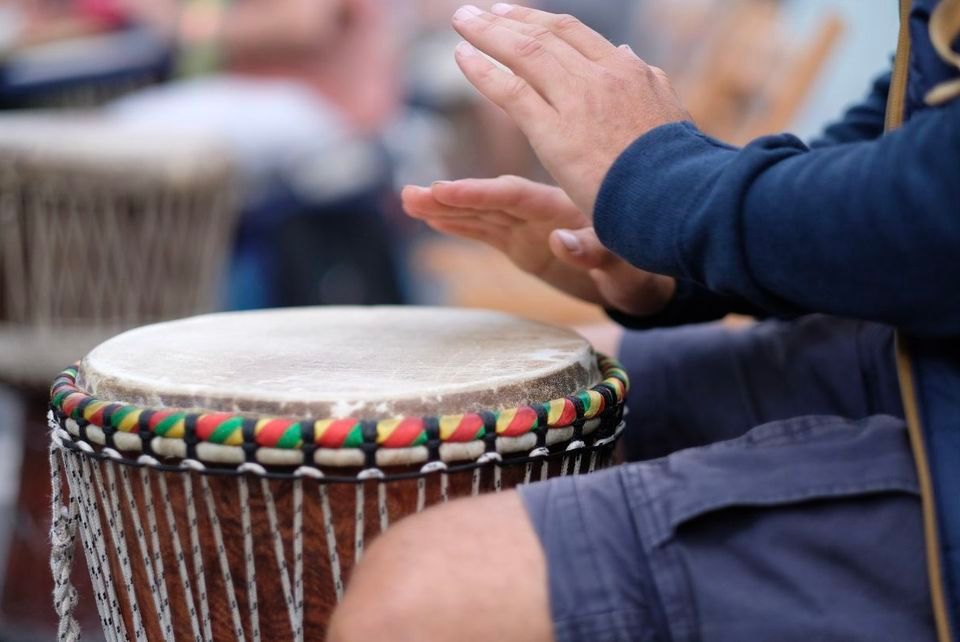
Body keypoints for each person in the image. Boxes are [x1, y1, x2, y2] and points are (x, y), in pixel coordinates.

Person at [328, 2, 960, 641]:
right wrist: (666, 261)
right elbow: (895, 131)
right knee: (508, 389)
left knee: (417, 595)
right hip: (913, 349)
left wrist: (668, 185)